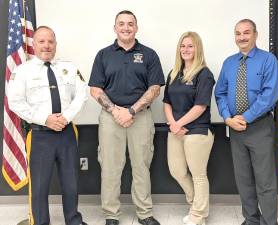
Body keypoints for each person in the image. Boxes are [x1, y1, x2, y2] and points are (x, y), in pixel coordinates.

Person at [88, 10, 165, 225]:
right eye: (121, 24)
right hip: (110, 118)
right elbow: (95, 89)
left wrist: (131, 111)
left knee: (142, 166)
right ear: (115, 28)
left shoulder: (149, 54)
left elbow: (155, 88)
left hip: (140, 117)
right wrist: (115, 111)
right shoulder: (103, 55)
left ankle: (144, 213)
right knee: (110, 167)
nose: (126, 27)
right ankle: (111, 215)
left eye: (130, 24)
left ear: (136, 27)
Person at [7, 26, 88, 225]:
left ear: (56, 45)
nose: (46, 45)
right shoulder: (22, 71)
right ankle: (40, 222)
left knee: (71, 183)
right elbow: (15, 102)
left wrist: (66, 117)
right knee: (40, 185)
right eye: (42, 41)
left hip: (67, 132)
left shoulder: (68, 68)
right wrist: (45, 119)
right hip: (40, 135)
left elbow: (82, 94)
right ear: (34, 44)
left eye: (50, 41)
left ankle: (73, 220)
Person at [215, 19, 278, 225]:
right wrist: (228, 119)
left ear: (255, 34)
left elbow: (269, 96)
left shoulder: (268, 60)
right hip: (235, 129)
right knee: (244, 180)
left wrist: (245, 117)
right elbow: (220, 93)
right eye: (238, 33)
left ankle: (270, 222)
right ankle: (251, 220)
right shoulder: (229, 63)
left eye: (246, 33)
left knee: (265, 181)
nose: (241, 37)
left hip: (259, 127)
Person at [163, 31, 215, 225]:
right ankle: (196, 204)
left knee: (198, 175)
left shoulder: (204, 74)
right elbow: (166, 102)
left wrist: (179, 124)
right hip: (176, 130)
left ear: (197, 49)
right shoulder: (174, 73)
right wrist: (174, 125)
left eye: (190, 46)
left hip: (197, 131)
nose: (185, 49)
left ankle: (198, 216)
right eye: (183, 46)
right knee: (176, 171)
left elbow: (200, 106)